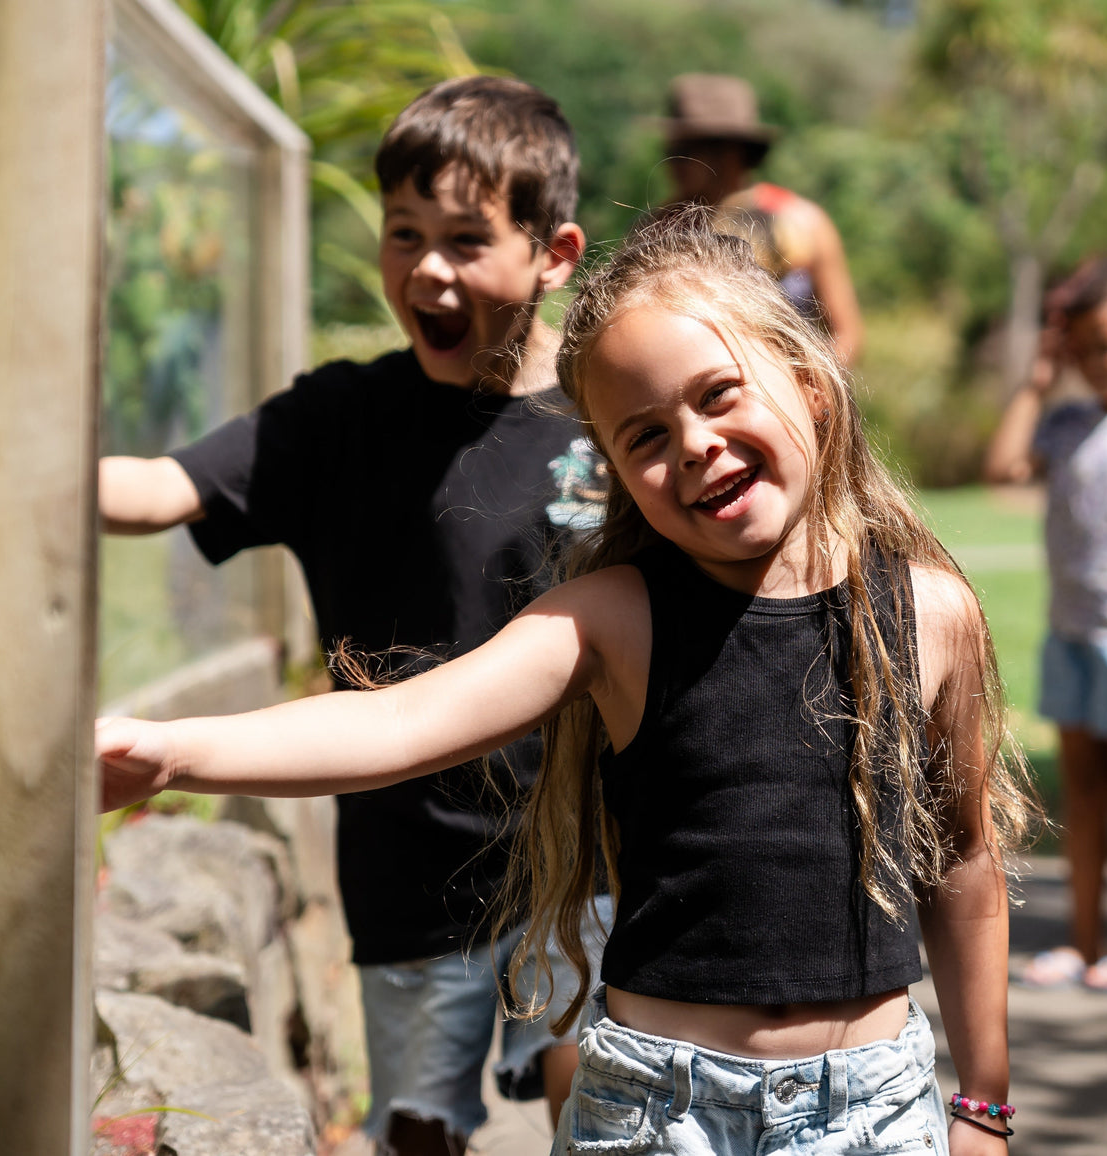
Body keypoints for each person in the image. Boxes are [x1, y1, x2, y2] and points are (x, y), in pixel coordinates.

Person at [99, 213, 1040, 1155]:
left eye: (720, 396)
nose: (696, 444)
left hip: (873, 1112)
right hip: (659, 1113)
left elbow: (959, 861)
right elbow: (399, 723)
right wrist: (176, 752)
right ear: (617, 476)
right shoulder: (612, 619)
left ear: (809, 386)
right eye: (645, 436)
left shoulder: (929, 615)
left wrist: (983, 1104)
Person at [98, 77, 609, 1155]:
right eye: (402, 234)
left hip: (587, 865)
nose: (425, 268)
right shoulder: (337, 420)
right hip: (407, 874)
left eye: (466, 240)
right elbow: (154, 489)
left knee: (602, 1113)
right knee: (419, 1129)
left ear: (551, 253)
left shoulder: (613, 414)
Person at [984, 257, 1107, 992]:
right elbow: (1003, 467)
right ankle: (1083, 944)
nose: (1092, 362)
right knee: (1081, 793)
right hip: (1071, 632)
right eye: (1078, 348)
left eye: (1106, 344)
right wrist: (1039, 377)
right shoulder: (1068, 421)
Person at [661, 73, 864, 367]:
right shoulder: (662, 228)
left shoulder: (804, 221)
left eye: (684, 151)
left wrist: (807, 390)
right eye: (671, 149)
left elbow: (847, 334)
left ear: (730, 152)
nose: (670, 160)